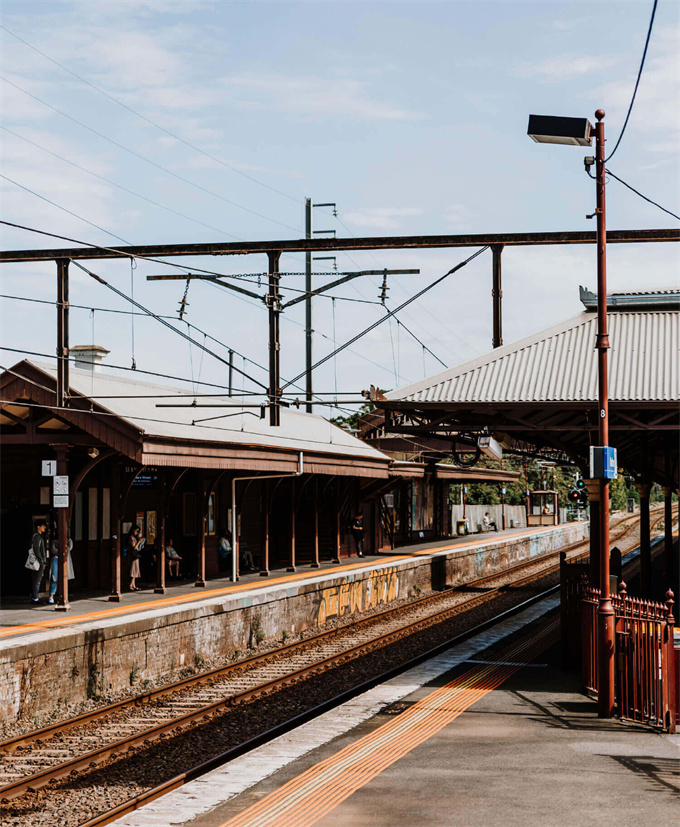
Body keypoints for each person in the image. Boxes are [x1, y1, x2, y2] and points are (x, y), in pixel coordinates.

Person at [49, 520, 74, 604]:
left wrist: (62, 550)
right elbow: (53, 549)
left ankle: (63, 595)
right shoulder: (55, 539)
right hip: (56, 559)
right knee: (54, 577)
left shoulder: (68, 539)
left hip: (65, 559)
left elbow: (70, 547)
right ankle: (52, 595)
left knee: (65, 577)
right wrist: (62, 550)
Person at [29, 520, 48, 604]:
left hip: (38, 561)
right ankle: (35, 598)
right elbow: (37, 550)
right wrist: (41, 561)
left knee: (36, 579)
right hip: (38, 562)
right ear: (38, 527)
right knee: (37, 580)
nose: (45, 527)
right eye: (43, 526)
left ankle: (35, 597)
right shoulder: (37, 537)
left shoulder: (38, 536)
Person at [127, 525, 144, 591]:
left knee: (135, 569)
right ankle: (131, 584)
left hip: (136, 554)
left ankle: (133, 585)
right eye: (136, 531)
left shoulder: (135, 538)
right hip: (132, 555)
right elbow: (134, 547)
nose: (137, 533)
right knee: (133, 569)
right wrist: (139, 542)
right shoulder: (131, 538)